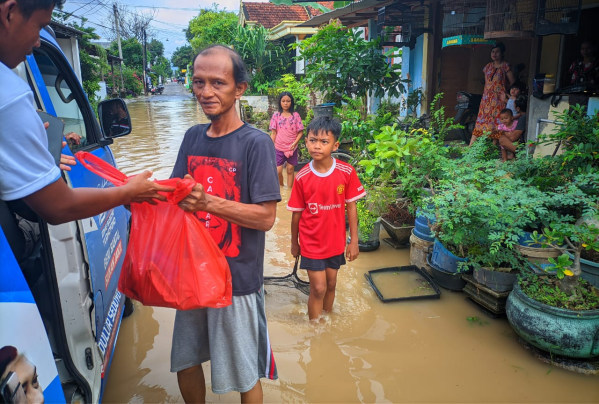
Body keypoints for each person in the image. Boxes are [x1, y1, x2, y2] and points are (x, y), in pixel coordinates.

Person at [169, 45, 281, 403]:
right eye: (199, 82)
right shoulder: (191, 138)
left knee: (245, 372)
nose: (206, 92)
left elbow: (266, 217)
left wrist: (209, 203)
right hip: (193, 274)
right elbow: (174, 198)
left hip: (236, 279)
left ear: (240, 88)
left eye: (218, 82)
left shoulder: (256, 143)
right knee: (185, 361)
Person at [0, 0, 172, 226]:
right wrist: (129, 192)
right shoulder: (9, 93)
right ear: (10, 12)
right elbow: (59, 207)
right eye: (39, 26)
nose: (38, 42)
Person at [287, 116, 365, 321]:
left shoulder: (346, 172)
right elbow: (296, 214)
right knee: (319, 288)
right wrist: (294, 243)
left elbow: (352, 208)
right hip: (311, 243)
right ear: (306, 142)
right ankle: (314, 327)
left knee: (331, 285)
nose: (317, 146)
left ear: (335, 145)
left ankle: (326, 321)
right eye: (313, 140)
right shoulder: (302, 177)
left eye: (324, 142)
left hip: (335, 242)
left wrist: (353, 241)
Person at [470, 42, 516, 145]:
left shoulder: (505, 66)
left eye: (497, 52)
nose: (494, 54)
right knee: (480, 121)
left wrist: (506, 92)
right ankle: (470, 147)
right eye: (493, 51)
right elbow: (487, 83)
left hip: (499, 100)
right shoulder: (488, 67)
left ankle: (493, 147)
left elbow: (513, 82)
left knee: (496, 123)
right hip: (486, 100)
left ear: (502, 53)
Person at [269, 91, 304, 188]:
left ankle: (289, 190)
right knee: (278, 171)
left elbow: (300, 132)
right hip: (278, 147)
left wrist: (294, 143)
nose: (285, 103)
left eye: (288, 101)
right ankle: (281, 187)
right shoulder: (276, 115)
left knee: (290, 169)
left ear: (291, 102)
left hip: (292, 147)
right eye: (283, 101)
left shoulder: (296, 115)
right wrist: (270, 146)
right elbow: (273, 133)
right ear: (280, 102)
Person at [498, 95, 527, 161]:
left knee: (502, 139)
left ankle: (521, 155)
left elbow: (513, 137)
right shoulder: (521, 117)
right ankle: (506, 158)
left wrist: (502, 133)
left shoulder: (522, 118)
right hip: (518, 143)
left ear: (518, 108)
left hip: (520, 145)